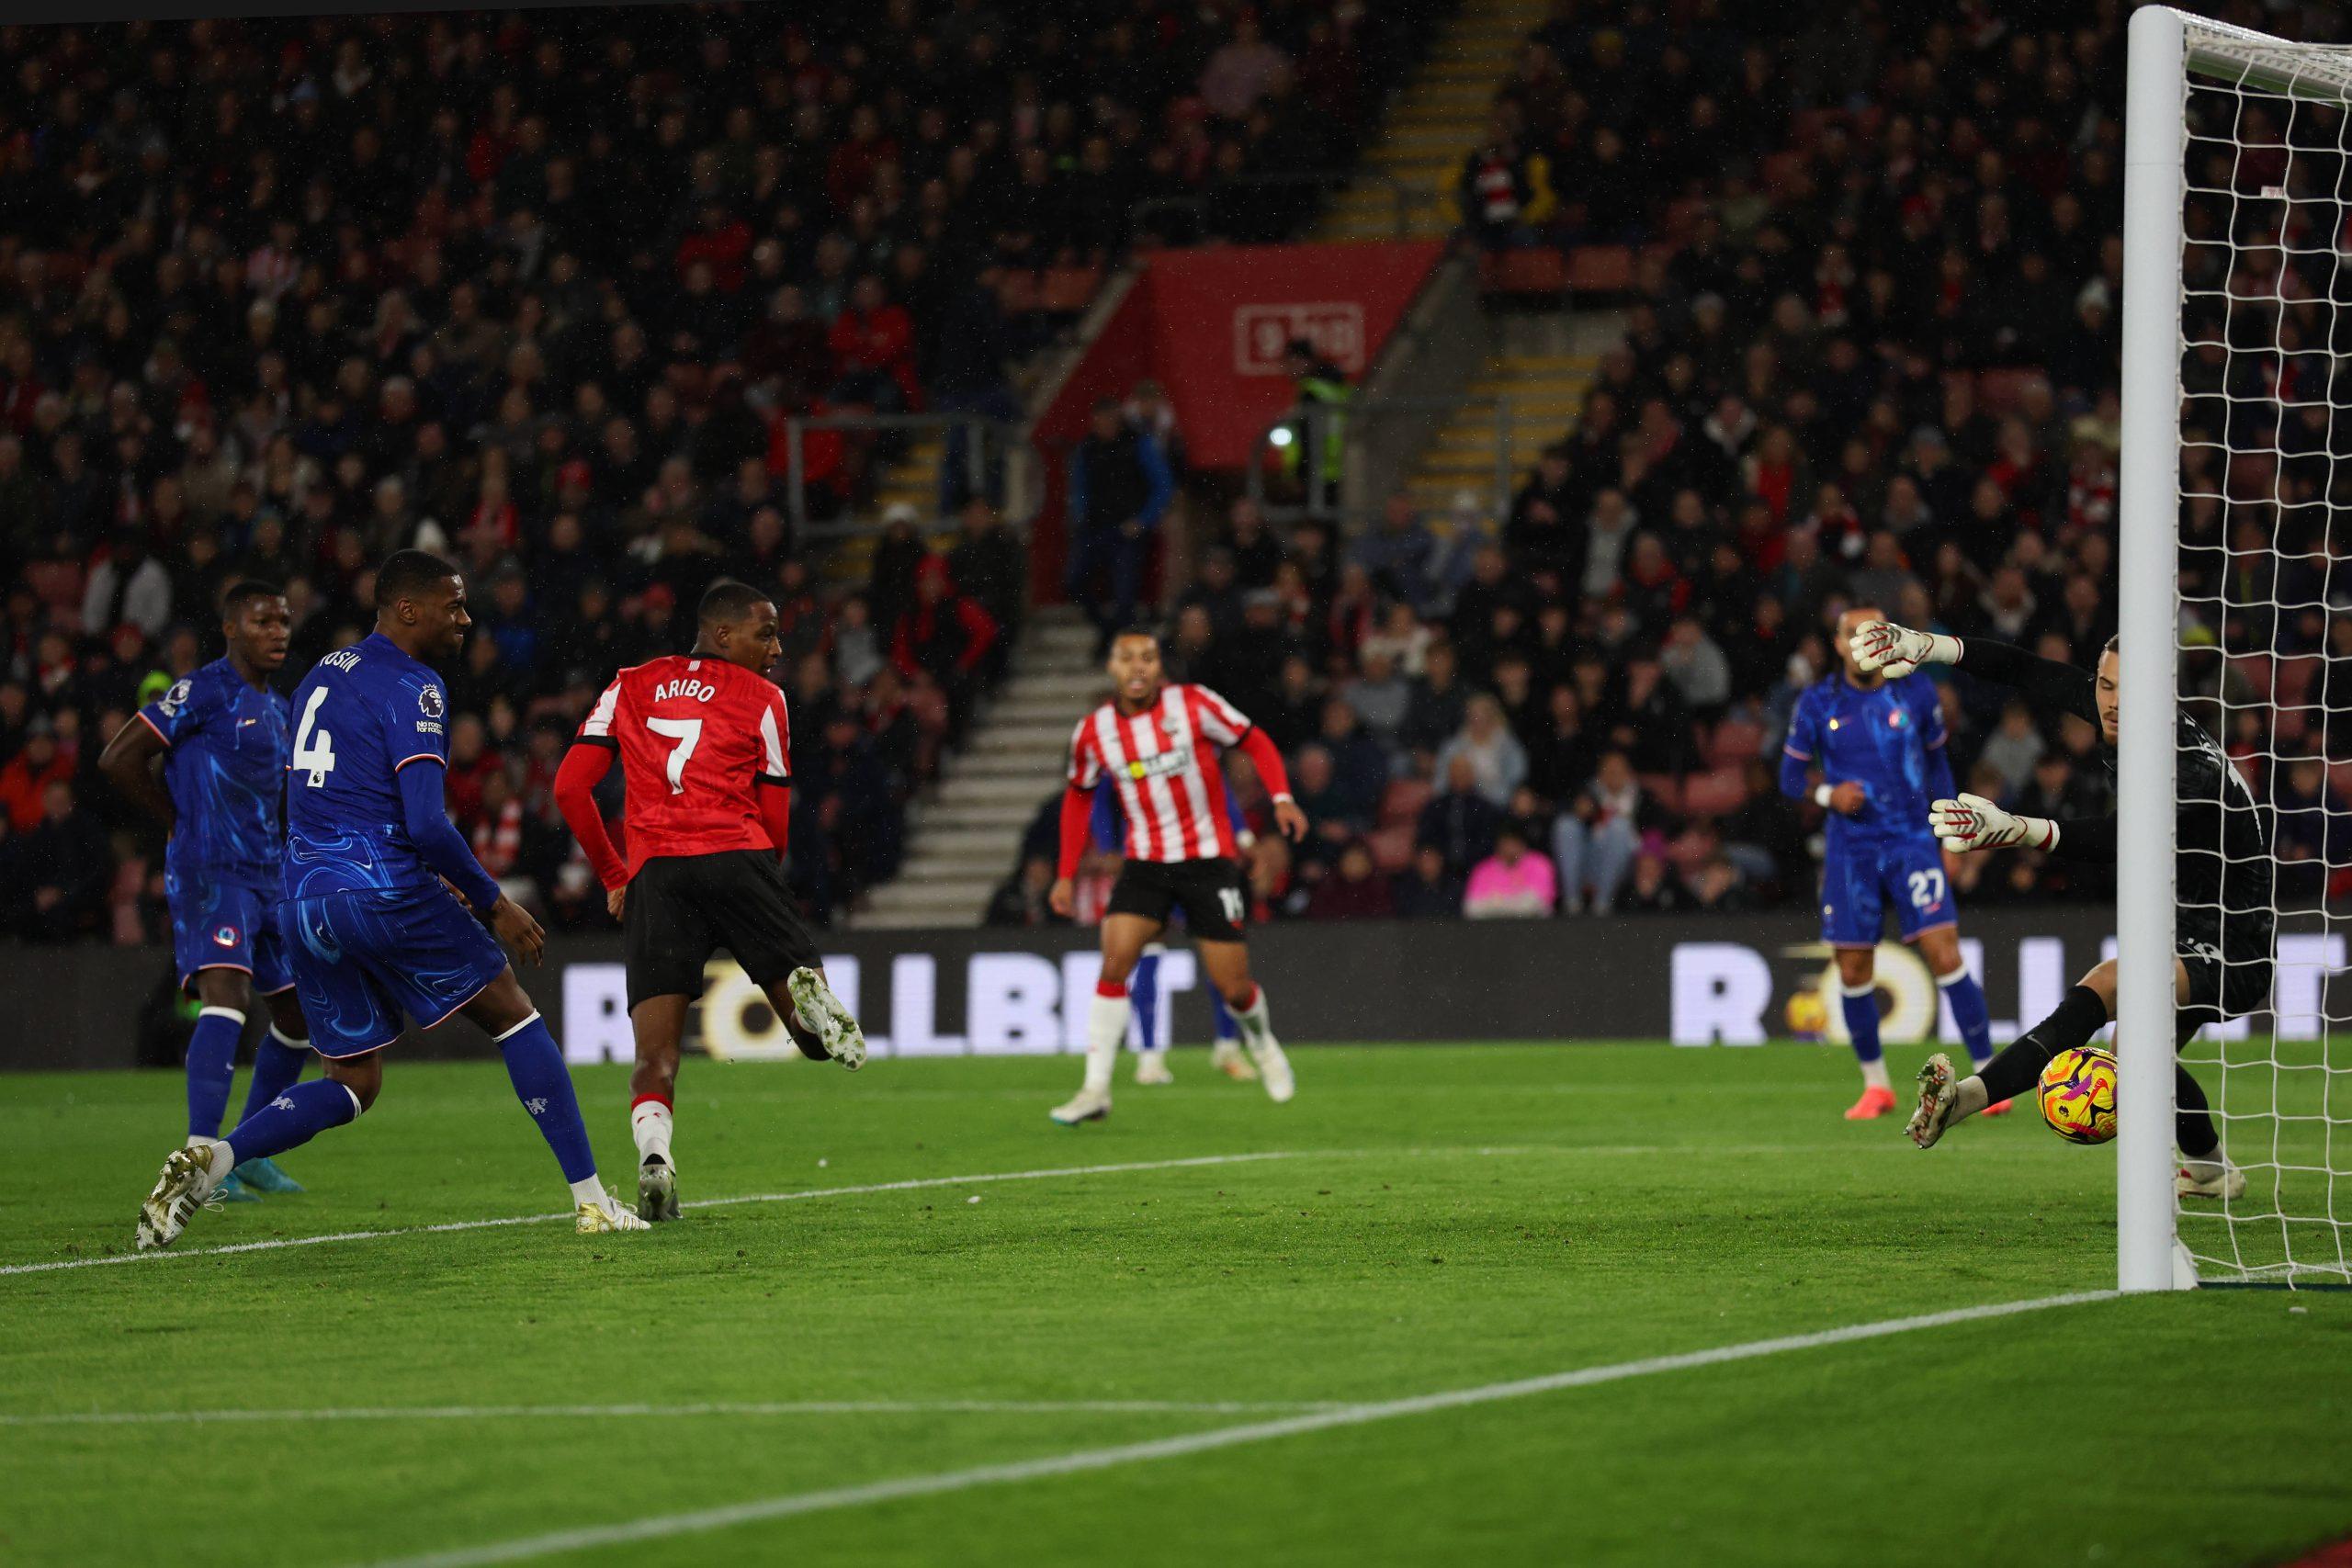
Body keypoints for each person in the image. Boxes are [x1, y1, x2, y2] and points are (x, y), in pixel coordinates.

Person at [134, 550, 646, 1248]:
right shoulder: (417, 686)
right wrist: (493, 903)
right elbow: (427, 824)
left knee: (353, 1079)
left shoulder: (321, 673)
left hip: (304, 899)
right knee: (515, 1016)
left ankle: (213, 1160)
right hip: (381, 885)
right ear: (408, 609)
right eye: (452, 605)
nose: (464, 619)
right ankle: (592, 1202)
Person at [1854, 619, 2267, 1200]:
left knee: (2113, 986)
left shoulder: (2187, 768)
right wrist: (1931, 647)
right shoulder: (2114, 710)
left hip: (2237, 944)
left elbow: (2119, 837)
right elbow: (2026, 669)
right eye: (2105, 685)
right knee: (2134, 1057)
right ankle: (2211, 1170)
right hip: (2183, 927)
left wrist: (2016, 829)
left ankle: (1970, 1098)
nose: (2113, 702)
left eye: (2128, 689)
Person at [554, 578, 866, 1222]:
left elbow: (569, 788)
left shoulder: (629, 684)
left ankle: (655, 1155)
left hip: (657, 873)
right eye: (766, 634)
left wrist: (614, 873)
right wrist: (761, 888)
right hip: (738, 859)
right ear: (723, 634)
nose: (777, 649)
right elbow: (776, 824)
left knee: (655, 1056)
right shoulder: (765, 698)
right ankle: (812, 1008)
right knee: (811, 1043)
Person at [98, 581, 314, 1202]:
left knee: (299, 1014)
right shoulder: (201, 691)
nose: (277, 631)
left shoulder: (278, 708)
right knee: (227, 997)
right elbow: (118, 758)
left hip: (268, 874)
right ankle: (196, 1164)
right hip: (211, 870)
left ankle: (247, 1153)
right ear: (230, 628)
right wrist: (175, 819)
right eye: (262, 620)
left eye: (283, 621)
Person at [1047, 629, 1307, 1124]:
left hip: (1208, 863)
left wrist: (1281, 798)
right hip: (1145, 864)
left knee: (1234, 988)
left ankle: (1262, 1043)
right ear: (1112, 667)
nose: (1138, 667)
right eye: (1127, 658)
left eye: (1147, 658)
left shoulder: (1194, 705)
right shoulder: (1094, 732)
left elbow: (1254, 740)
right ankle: (1095, 1089)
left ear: (1158, 666)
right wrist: (1065, 873)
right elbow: (1079, 795)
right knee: (1114, 965)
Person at [1778, 605, 2000, 1121]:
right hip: (1850, 850)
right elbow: (1789, 778)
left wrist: (1949, 836)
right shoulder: (1816, 702)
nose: (1864, 644)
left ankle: (1990, 1077)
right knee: (1853, 966)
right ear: (1838, 644)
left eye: (1873, 634)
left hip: (1912, 841)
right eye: (1853, 635)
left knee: (1945, 953)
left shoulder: (1916, 692)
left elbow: (1938, 766)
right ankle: (1877, 1086)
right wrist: (1829, 794)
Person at [1091, 773, 1255, 1088]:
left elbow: (1218, 789)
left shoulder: (1191, 747)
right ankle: (1150, 1057)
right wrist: (1109, 845)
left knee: (1219, 955)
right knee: (1148, 953)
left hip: (1199, 864)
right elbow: (1101, 795)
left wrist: (1242, 834)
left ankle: (1227, 1047)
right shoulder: (1130, 751)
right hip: (1149, 865)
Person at [1065, 398, 1172, 650]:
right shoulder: (1087, 448)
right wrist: (1079, 518)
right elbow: (1079, 488)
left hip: (1126, 531)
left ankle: (1115, 642)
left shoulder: (1138, 443)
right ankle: (1107, 629)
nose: (1106, 425)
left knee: (1125, 595)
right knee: (1074, 582)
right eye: (1101, 420)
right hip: (1094, 528)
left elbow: (1163, 485)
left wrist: (1143, 520)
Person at [1281, 337, 1350, 513]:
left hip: (1317, 474)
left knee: (1314, 523)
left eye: (1290, 362)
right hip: (1341, 469)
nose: (1287, 369)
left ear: (1304, 361)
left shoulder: (1311, 393)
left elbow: (1308, 438)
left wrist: (1300, 474)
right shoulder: (1336, 387)